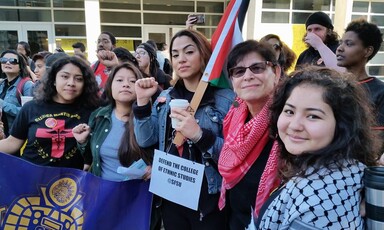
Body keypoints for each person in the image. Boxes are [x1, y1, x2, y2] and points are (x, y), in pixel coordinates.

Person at [133, 29, 235, 229]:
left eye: (189, 52)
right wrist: (142, 101)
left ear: (203, 54)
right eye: (176, 54)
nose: (182, 59)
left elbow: (233, 156)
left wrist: (199, 135)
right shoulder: (166, 97)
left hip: (209, 196)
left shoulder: (226, 99)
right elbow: (145, 140)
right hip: (171, 192)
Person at [256, 67, 380, 229]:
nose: (294, 125)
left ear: (342, 124)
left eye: (313, 116)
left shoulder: (321, 202)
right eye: (289, 111)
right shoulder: (335, 168)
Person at [217, 40, 281, 229]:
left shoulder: (288, 122)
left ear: (276, 72)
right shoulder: (233, 118)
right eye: (239, 71)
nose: (248, 76)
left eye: (257, 68)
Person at [0, 56, 100, 169]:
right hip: (30, 177)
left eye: (79, 79)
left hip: (70, 181)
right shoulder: (31, 108)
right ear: (53, 80)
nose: (71, 83)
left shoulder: (93, 111)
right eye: (65, 76)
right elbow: (12, 143)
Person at [336, 18, 384, 151]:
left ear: (367, 51)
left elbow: (377, 140)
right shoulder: (331, 85)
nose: (340, 48)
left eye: (349, 44)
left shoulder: (380, 91)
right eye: (341, 43)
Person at [0, 50, 34, 137]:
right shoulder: (2, 84)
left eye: (12, 61)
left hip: (17, 137)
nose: (7, 62)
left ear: (20, 66)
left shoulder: (27, 85)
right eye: (4, 60)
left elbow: (28, 113)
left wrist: (2, 104)